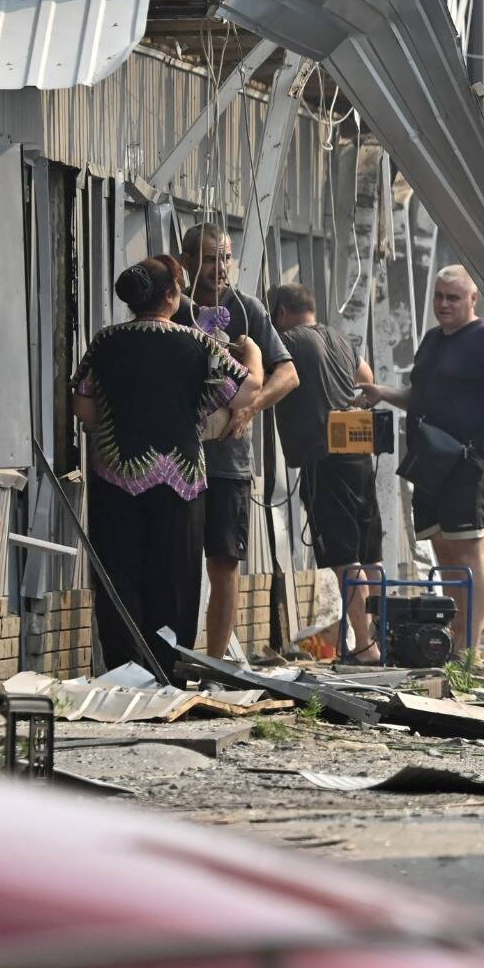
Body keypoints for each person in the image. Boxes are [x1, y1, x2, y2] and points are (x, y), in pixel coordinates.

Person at [70, 255, 257, 672]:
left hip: (114, 475)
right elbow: (245, 393)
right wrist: (254, 354)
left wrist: (122, 422)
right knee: (174, 577)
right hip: (182, 480)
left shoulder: (105, 341)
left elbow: (82, 404)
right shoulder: (200, 344)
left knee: (119, 573)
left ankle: (123, 669)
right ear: (172, 296)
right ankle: (166, 669)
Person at [360, 265, 484, 660]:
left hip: (470, 463)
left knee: (470, 552)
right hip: (428, 462)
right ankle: (453, 639)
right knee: (443, 550)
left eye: (453, 297)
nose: (444, 304)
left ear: (473, 300)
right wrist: (382, 392)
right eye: (438, 296)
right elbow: (418, 395)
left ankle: (471, 648)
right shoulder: (432, 339)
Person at [174, 225, 298, 660]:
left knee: (224, 560)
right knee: (179, 561)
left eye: (225, 258)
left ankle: (214, 661)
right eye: (209, 259)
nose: (220, 269)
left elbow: (288, 374)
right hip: (176, 459)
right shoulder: (174, 310)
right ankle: (175, 658)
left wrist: (250, 407)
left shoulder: (247, 311)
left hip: (228, 461)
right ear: (187, 261)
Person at [268, 282, 383, 662]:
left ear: (281, 312)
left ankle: (364, 646)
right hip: (358, 456)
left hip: (324, 458)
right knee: (369, 555)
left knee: (342, 555)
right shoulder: (341, 339)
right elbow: (368, 382)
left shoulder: (290, 341)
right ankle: (381, 640)